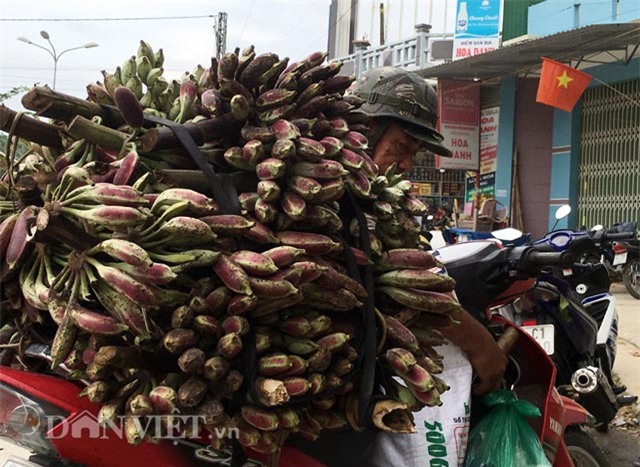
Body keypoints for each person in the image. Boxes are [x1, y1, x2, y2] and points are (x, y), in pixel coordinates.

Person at [290, 67, 506, 466]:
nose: (406, 163)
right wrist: (483, 347)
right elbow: (409, 296)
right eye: (399, 147)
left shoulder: (375, 201)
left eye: (413, 154)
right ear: (365, 132)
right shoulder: (332, 195)